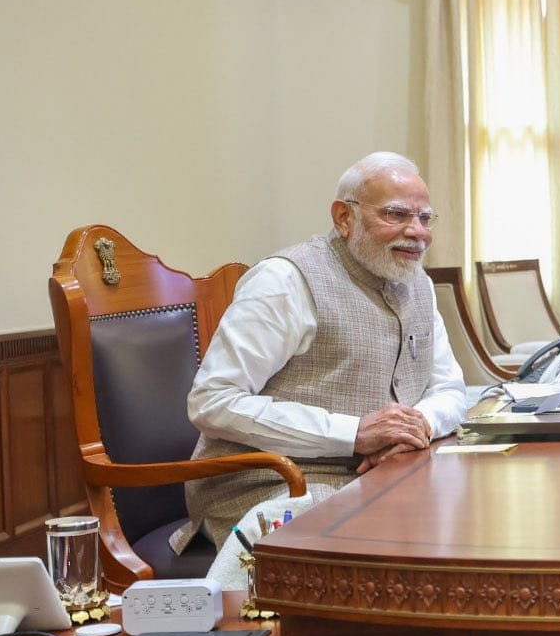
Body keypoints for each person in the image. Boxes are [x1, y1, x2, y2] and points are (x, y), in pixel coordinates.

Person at [180, 152, 467, 548]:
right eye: (396, 214)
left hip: (388, 472)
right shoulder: (284, 280)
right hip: (279, 482)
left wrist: (418, 426)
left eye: (424, 218)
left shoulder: (418, 283)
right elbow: (212, 401)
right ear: (344, 217)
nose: (417, 232)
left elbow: (449, 388)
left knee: (466, 516)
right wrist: (355, 434)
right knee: (394, 545)